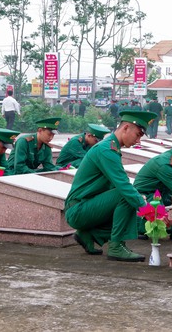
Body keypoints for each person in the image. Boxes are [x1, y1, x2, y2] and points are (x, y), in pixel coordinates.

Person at [64, 110, 157, 262]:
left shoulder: (110, 147)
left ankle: (88, 235)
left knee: (133, 197)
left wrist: (140, 201)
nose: (138, 141)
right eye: (138, 135)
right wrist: (147, 210)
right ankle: (116, 246)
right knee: (126, 196)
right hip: (78, 210)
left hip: (85, 206)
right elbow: (123, 186)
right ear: (126, 128)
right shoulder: (107, 150)